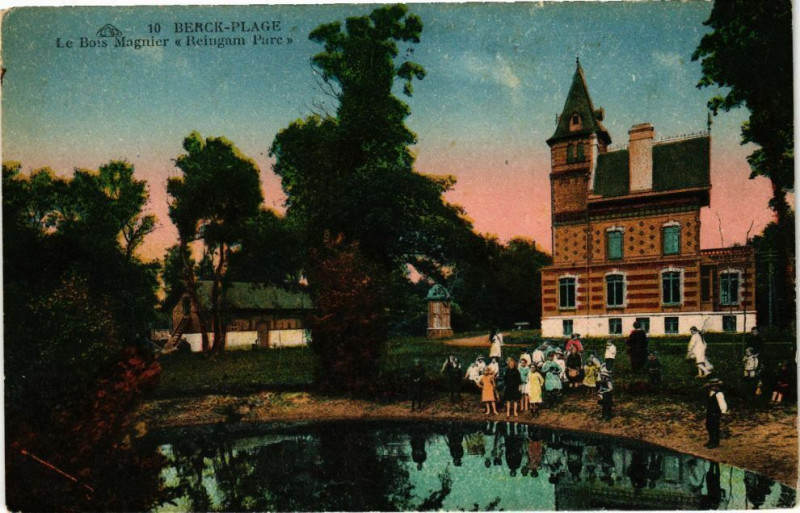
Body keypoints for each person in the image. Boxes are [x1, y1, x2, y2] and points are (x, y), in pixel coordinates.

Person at [704, 378, 728, 448]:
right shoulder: (710, 393)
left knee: (715, 427)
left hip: (715, 413)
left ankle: (715, 442)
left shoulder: (719, 394)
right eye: (713, 386)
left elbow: (722, 404)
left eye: (716, 386)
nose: (715, 387)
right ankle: (711, 440)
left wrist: (723, 413)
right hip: (710, 412)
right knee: (708, 426)